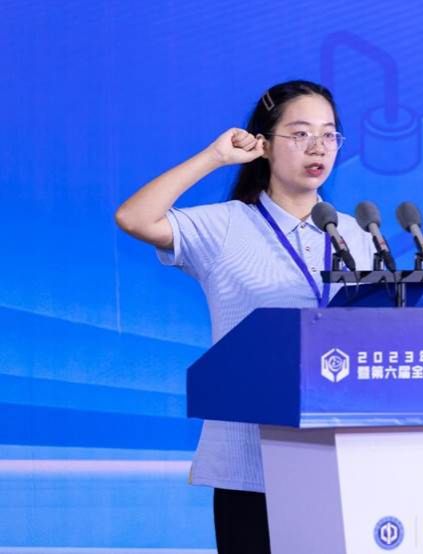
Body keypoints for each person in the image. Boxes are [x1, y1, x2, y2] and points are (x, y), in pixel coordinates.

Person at [115, 80, 374, 554]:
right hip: (249, 461)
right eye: (300, 134)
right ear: (264, 144)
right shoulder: (226, 225)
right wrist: (215, 157)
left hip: (339, 455)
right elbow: (135, 217)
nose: (318, 147)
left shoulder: (356, 235)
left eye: (329, 134)